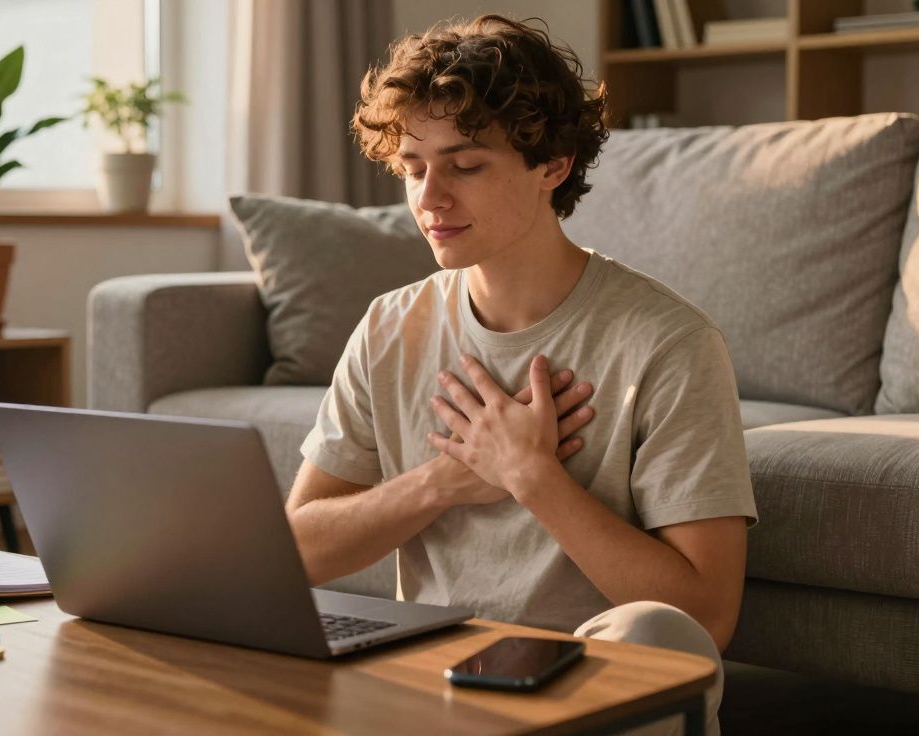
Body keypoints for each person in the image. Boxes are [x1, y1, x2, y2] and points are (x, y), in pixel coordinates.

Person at [284, 15, 758, 735]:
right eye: (414, 168)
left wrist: (532, 476)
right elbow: (300, 550)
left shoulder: (669, 342)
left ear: (553, 164)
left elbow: (704, 619)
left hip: (591, 685)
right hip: (436, 679)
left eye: (465, 165)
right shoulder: (390, 326)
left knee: (658, 640)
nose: (429, 198)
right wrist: (444, 481)